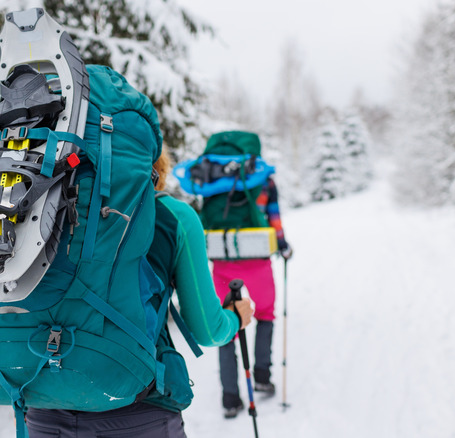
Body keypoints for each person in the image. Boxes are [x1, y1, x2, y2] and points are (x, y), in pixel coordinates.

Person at [25, 151, 255, 437]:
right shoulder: (173, 215)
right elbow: (208, 331)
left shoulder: (38, 207)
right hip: (140, 409)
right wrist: (235, 317)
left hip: (44, 408)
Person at [212, 175, 292, 418]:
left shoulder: (213, 176)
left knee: (226, 326)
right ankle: (262, 378)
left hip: (223, 259)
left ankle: (230, 398)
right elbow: (274, 217)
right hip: (257, 260)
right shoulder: (265, 181)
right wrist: (283, 245)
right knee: (265, 314)